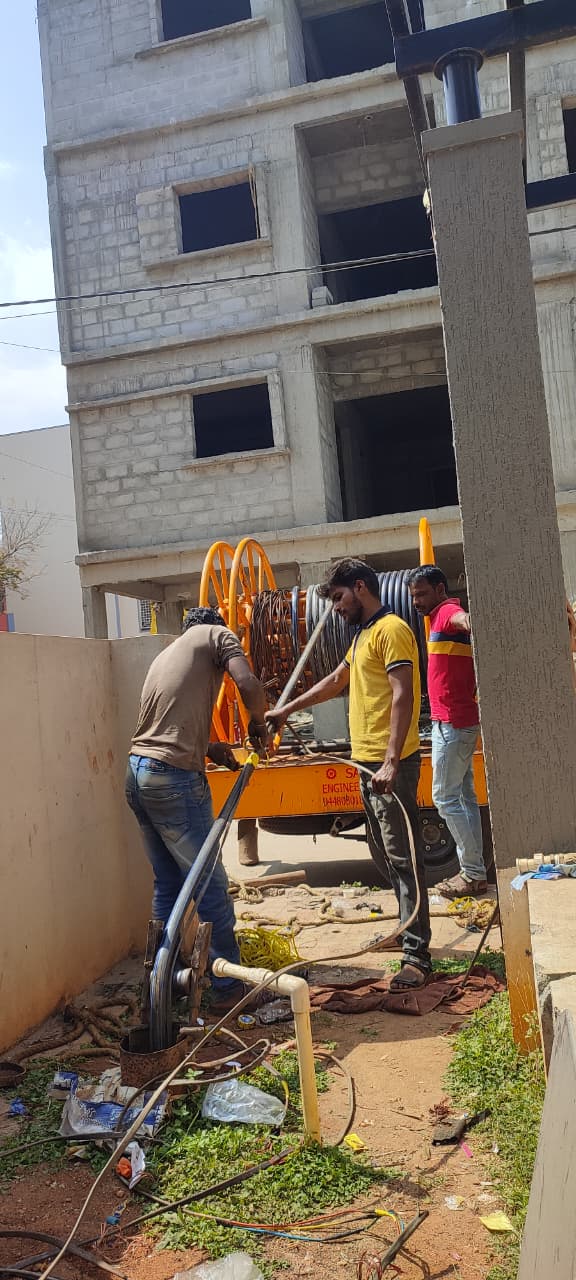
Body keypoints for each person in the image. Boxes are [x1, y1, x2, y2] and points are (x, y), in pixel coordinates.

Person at [266, 558, 432, 991]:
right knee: (389, 860)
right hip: (367, 763)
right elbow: (335, 681)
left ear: (360, 587)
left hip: (389, 766)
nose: (337, 608)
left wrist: (391, 760)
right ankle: (405, 931)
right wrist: (285, 710)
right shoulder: (362, 636)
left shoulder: (392, 630)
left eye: (339, 598)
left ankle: (417, 957)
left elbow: (403, 694)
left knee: (405, 860)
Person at [125, 606, 269, 1011]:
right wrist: (258, 724)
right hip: (172, 780)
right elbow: (248, 683)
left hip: (137, 774)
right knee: (210, 884)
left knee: (170, 885)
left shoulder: (169, 653)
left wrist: (210, 748)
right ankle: (228, 989)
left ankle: (162, 983)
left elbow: (161, 728)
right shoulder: (216, 634)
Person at [408, 565, 487, 899]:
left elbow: (461, 619)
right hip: (458, 721)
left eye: (422, 594)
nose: (416, 601)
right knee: (464, 798)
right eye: (413, 596)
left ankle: (471, 872)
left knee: (444, 798)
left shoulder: (447, 613)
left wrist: (471, 621)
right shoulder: (435, 618)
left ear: (440, 590)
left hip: (452, 723)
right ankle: (475, 873)